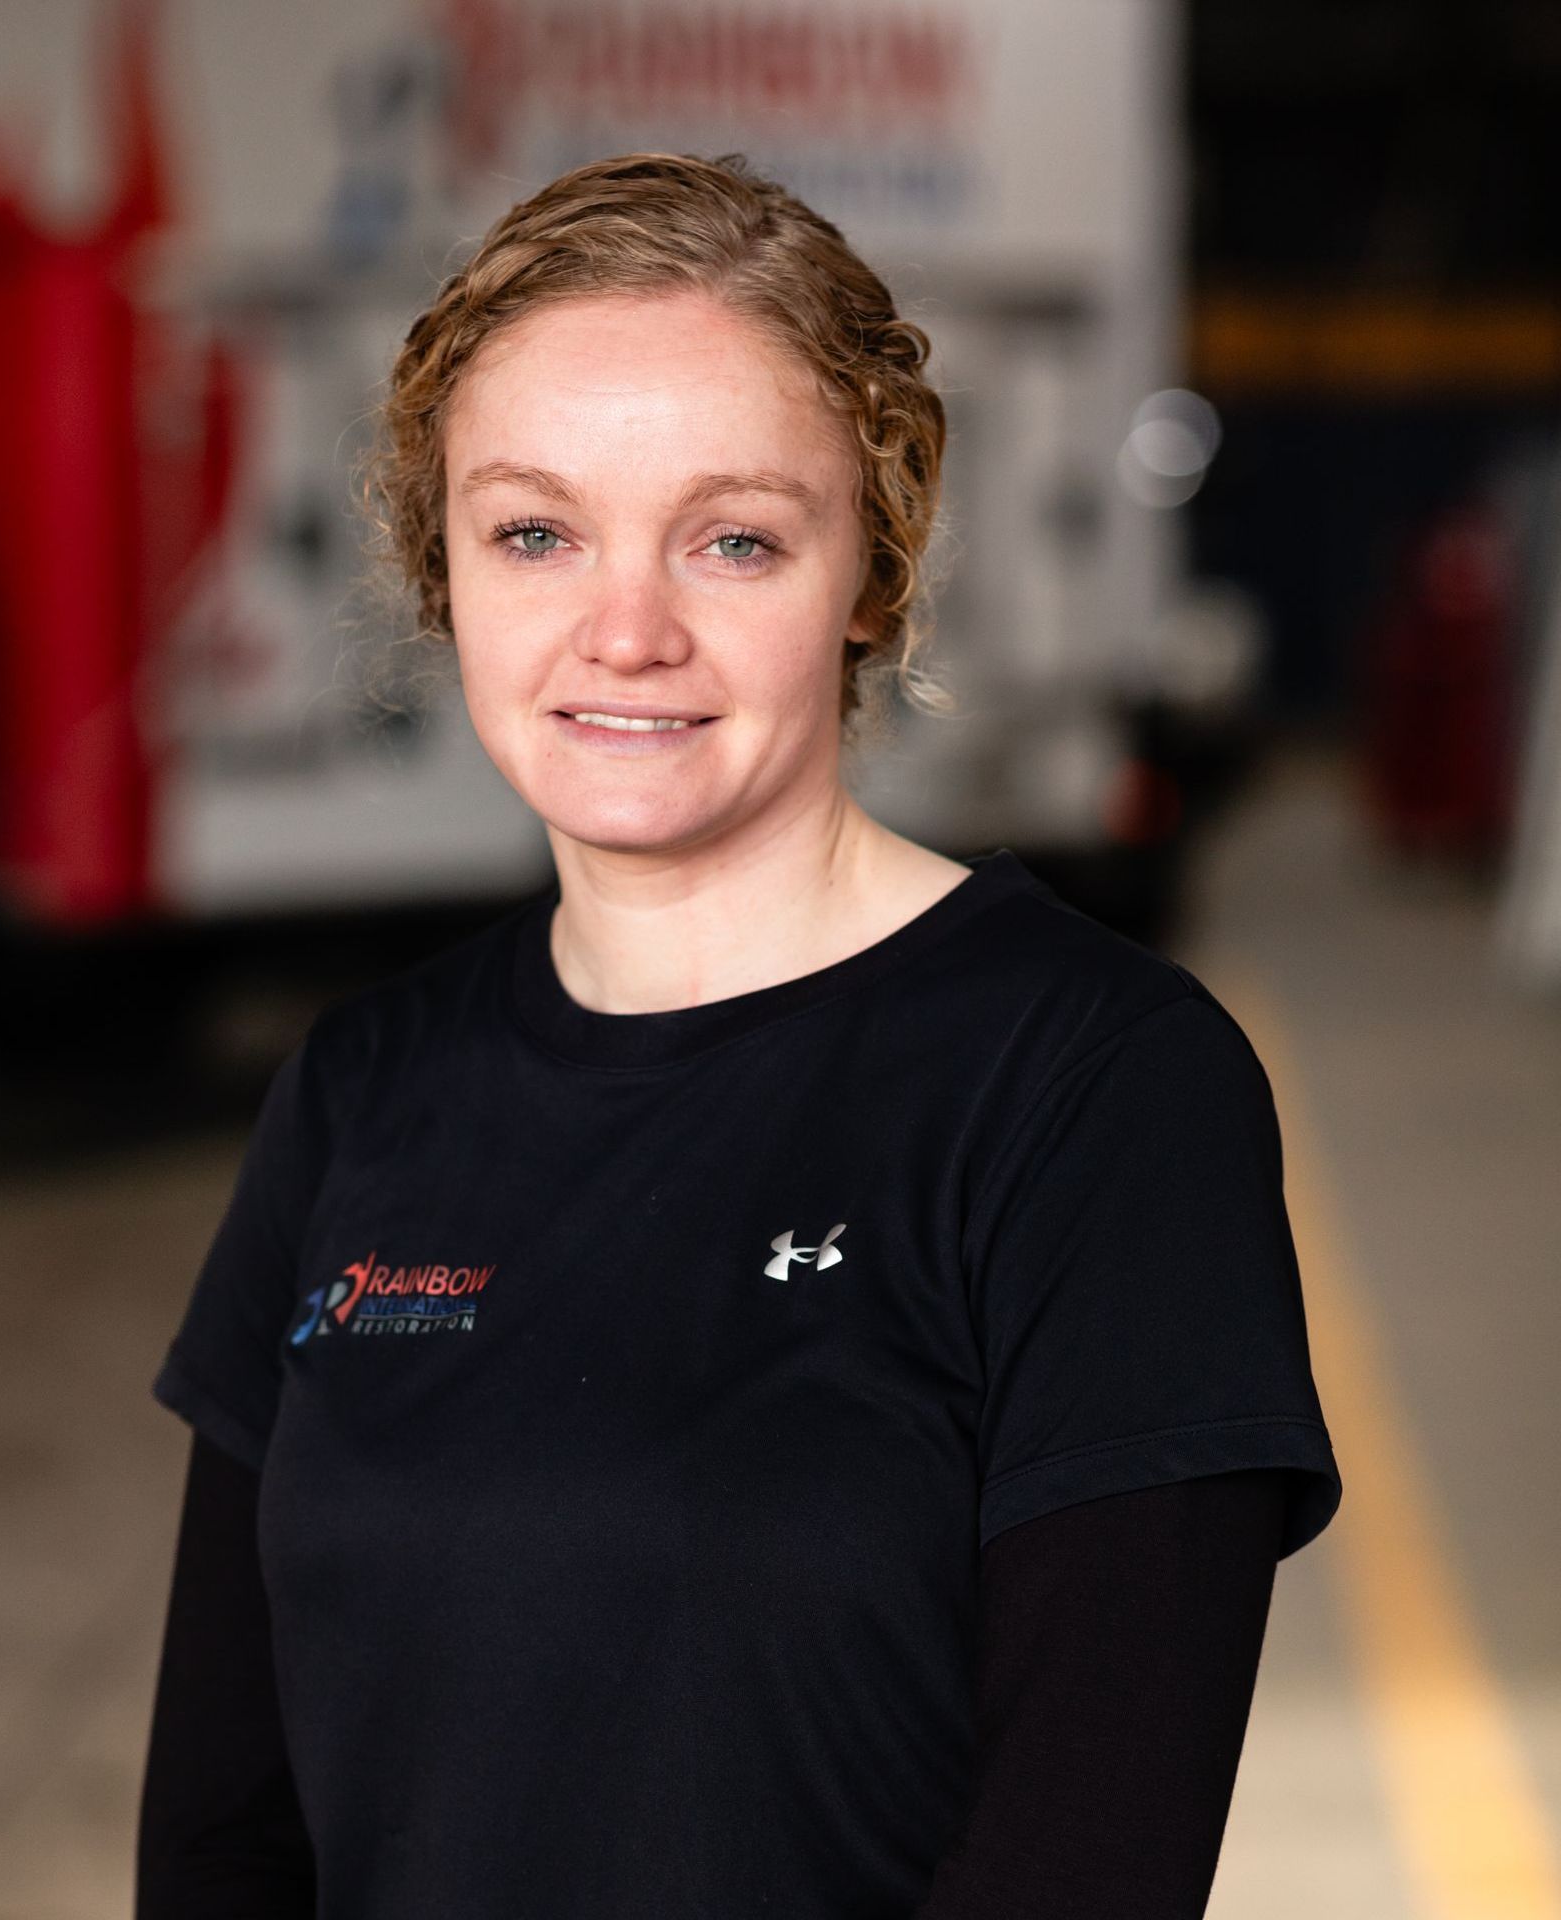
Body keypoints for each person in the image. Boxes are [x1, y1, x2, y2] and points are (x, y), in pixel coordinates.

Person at [136, 152, 1342, 1919]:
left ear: (871, 572)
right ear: (443, 566)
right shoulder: (361, 1089)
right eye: (535, 531)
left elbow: (1084, 1869)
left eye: (735, 538)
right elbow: (224, 1837)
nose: (625, 631)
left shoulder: (1096, 1088)